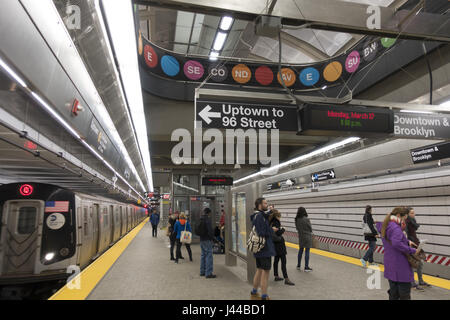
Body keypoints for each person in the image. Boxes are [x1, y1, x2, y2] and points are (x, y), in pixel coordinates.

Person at [376, 207, 419, 300]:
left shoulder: (386, 225)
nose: (404, 221)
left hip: (390, 263)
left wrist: (407, 241)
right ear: (399, 216)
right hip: (400, 264)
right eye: (404, 218)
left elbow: (392, 239)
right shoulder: (395, 227)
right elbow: (396, 243)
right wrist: (412, 250)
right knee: (404, 294)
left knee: (393, 293)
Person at [250, 198, 276, 300]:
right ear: (259, 205)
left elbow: (264, 215)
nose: (267, 204)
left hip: (259, 249)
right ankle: (264, 296)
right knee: (265, 273)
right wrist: (271, 229)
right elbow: (262, 232)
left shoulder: (258, 215)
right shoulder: (259, 217)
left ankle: (254, 292)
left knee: (259, 270)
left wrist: (270, 210)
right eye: (265, 203)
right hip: (264, 249)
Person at [405, 207, 430, 290]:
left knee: (420, 262)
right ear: (407, 214)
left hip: (415, 243)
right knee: (413, 264)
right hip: (410, 245)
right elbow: (406, 235)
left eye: (413, 212)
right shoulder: (406, 222)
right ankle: (412, 283)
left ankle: (420, 281)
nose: (413, 214)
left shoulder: (412, 222)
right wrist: (409, 243)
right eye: (411, 213)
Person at [269, 209, 295, 285]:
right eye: (279, 216)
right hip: (279, 244)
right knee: (283, 261)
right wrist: (283, 229)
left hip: (274, 244)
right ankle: (286, 279)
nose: (280, 218)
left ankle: (276, 276)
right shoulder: (276, 222)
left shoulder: (271, 222)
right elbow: (277, 233)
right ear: (277, 216)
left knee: (276, 260)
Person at [198, 208, 216, 278]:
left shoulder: (201, 218)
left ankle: (202, 271)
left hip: (201, 239)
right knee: (209, 255)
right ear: (209, 213)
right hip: (207, 239)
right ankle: (208, 273)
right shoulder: (207, 219)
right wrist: (212, 238)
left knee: (203, 255)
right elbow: (210, 230)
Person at [295, 207, 313, 272]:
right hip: (307, 236)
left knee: (300, 250)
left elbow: (297, 228)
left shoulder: (296, 219)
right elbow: (310, 228)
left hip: (301, 236)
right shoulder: (306, 219)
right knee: (307, 251)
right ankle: (306, 267)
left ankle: (298, 265)